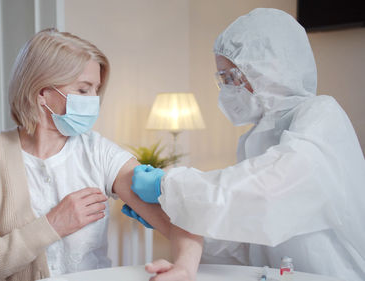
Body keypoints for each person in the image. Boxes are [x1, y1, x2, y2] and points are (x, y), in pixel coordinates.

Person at [0, 28, 203, 281]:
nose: (93, 100)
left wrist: (185, 267)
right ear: (43, 93)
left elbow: (183, 218)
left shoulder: (99, 152)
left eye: (96, 90)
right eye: (83, 89)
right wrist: (51, 225)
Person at [125, 8, 365, 281]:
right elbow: (247, 240)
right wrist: (175, 215)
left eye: (231, 78)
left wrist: (169, 186)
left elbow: (267, 191)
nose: (226, 89)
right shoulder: (255, 139)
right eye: (222, 80)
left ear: (269, 70)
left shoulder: (322, 115)